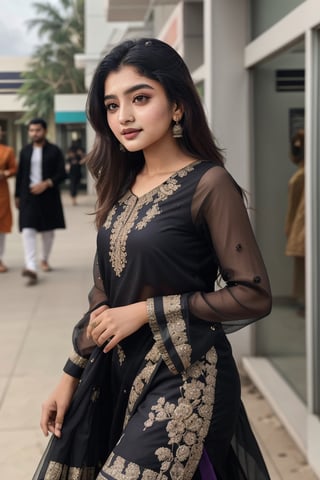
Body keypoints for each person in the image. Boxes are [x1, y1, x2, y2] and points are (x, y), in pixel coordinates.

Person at [33, 39, 272, 479]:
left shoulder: (209, 184)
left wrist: (146, 312)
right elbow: (104, 295)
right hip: (119, 375)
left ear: (177, 105)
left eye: (140, 98)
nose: (123, 116)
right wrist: (70, 375)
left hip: (187, 375)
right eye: (111, 104)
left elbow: (253, 295)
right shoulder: (122, 186)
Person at [15, 118, 66, 286]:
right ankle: (31, 266)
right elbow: (20, 174)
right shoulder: (25, 151)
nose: (34, 133)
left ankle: (44, 259)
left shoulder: (54, 151)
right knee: (28, 229)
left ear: (44, 131)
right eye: (31, 130)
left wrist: (47, 183)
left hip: (48, 196)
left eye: (37, 130)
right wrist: (17, 195)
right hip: (29, 196)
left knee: (48, 232)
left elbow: (61, 173)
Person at [285, 128, 305, 314]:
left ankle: (306, 302)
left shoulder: (300, 176)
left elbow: (294, 209)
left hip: (302, 230)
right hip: (303, 229)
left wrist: (289, 228)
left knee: (304, 272)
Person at [0, 127, 17, 272]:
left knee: (1, 227)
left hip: (1, 194)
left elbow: (13, 169)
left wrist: (5, 173)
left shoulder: (7, 151)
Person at [65, 140, 86, 205]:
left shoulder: (78, 156)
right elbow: (67, 165)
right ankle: (73, 200)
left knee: (76, 186)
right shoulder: (69, 159)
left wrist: (82, 154)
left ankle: (74, 198)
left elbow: (83, 161)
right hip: (72, 174)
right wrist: (67, 169)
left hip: (78, 173)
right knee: (73, 186)